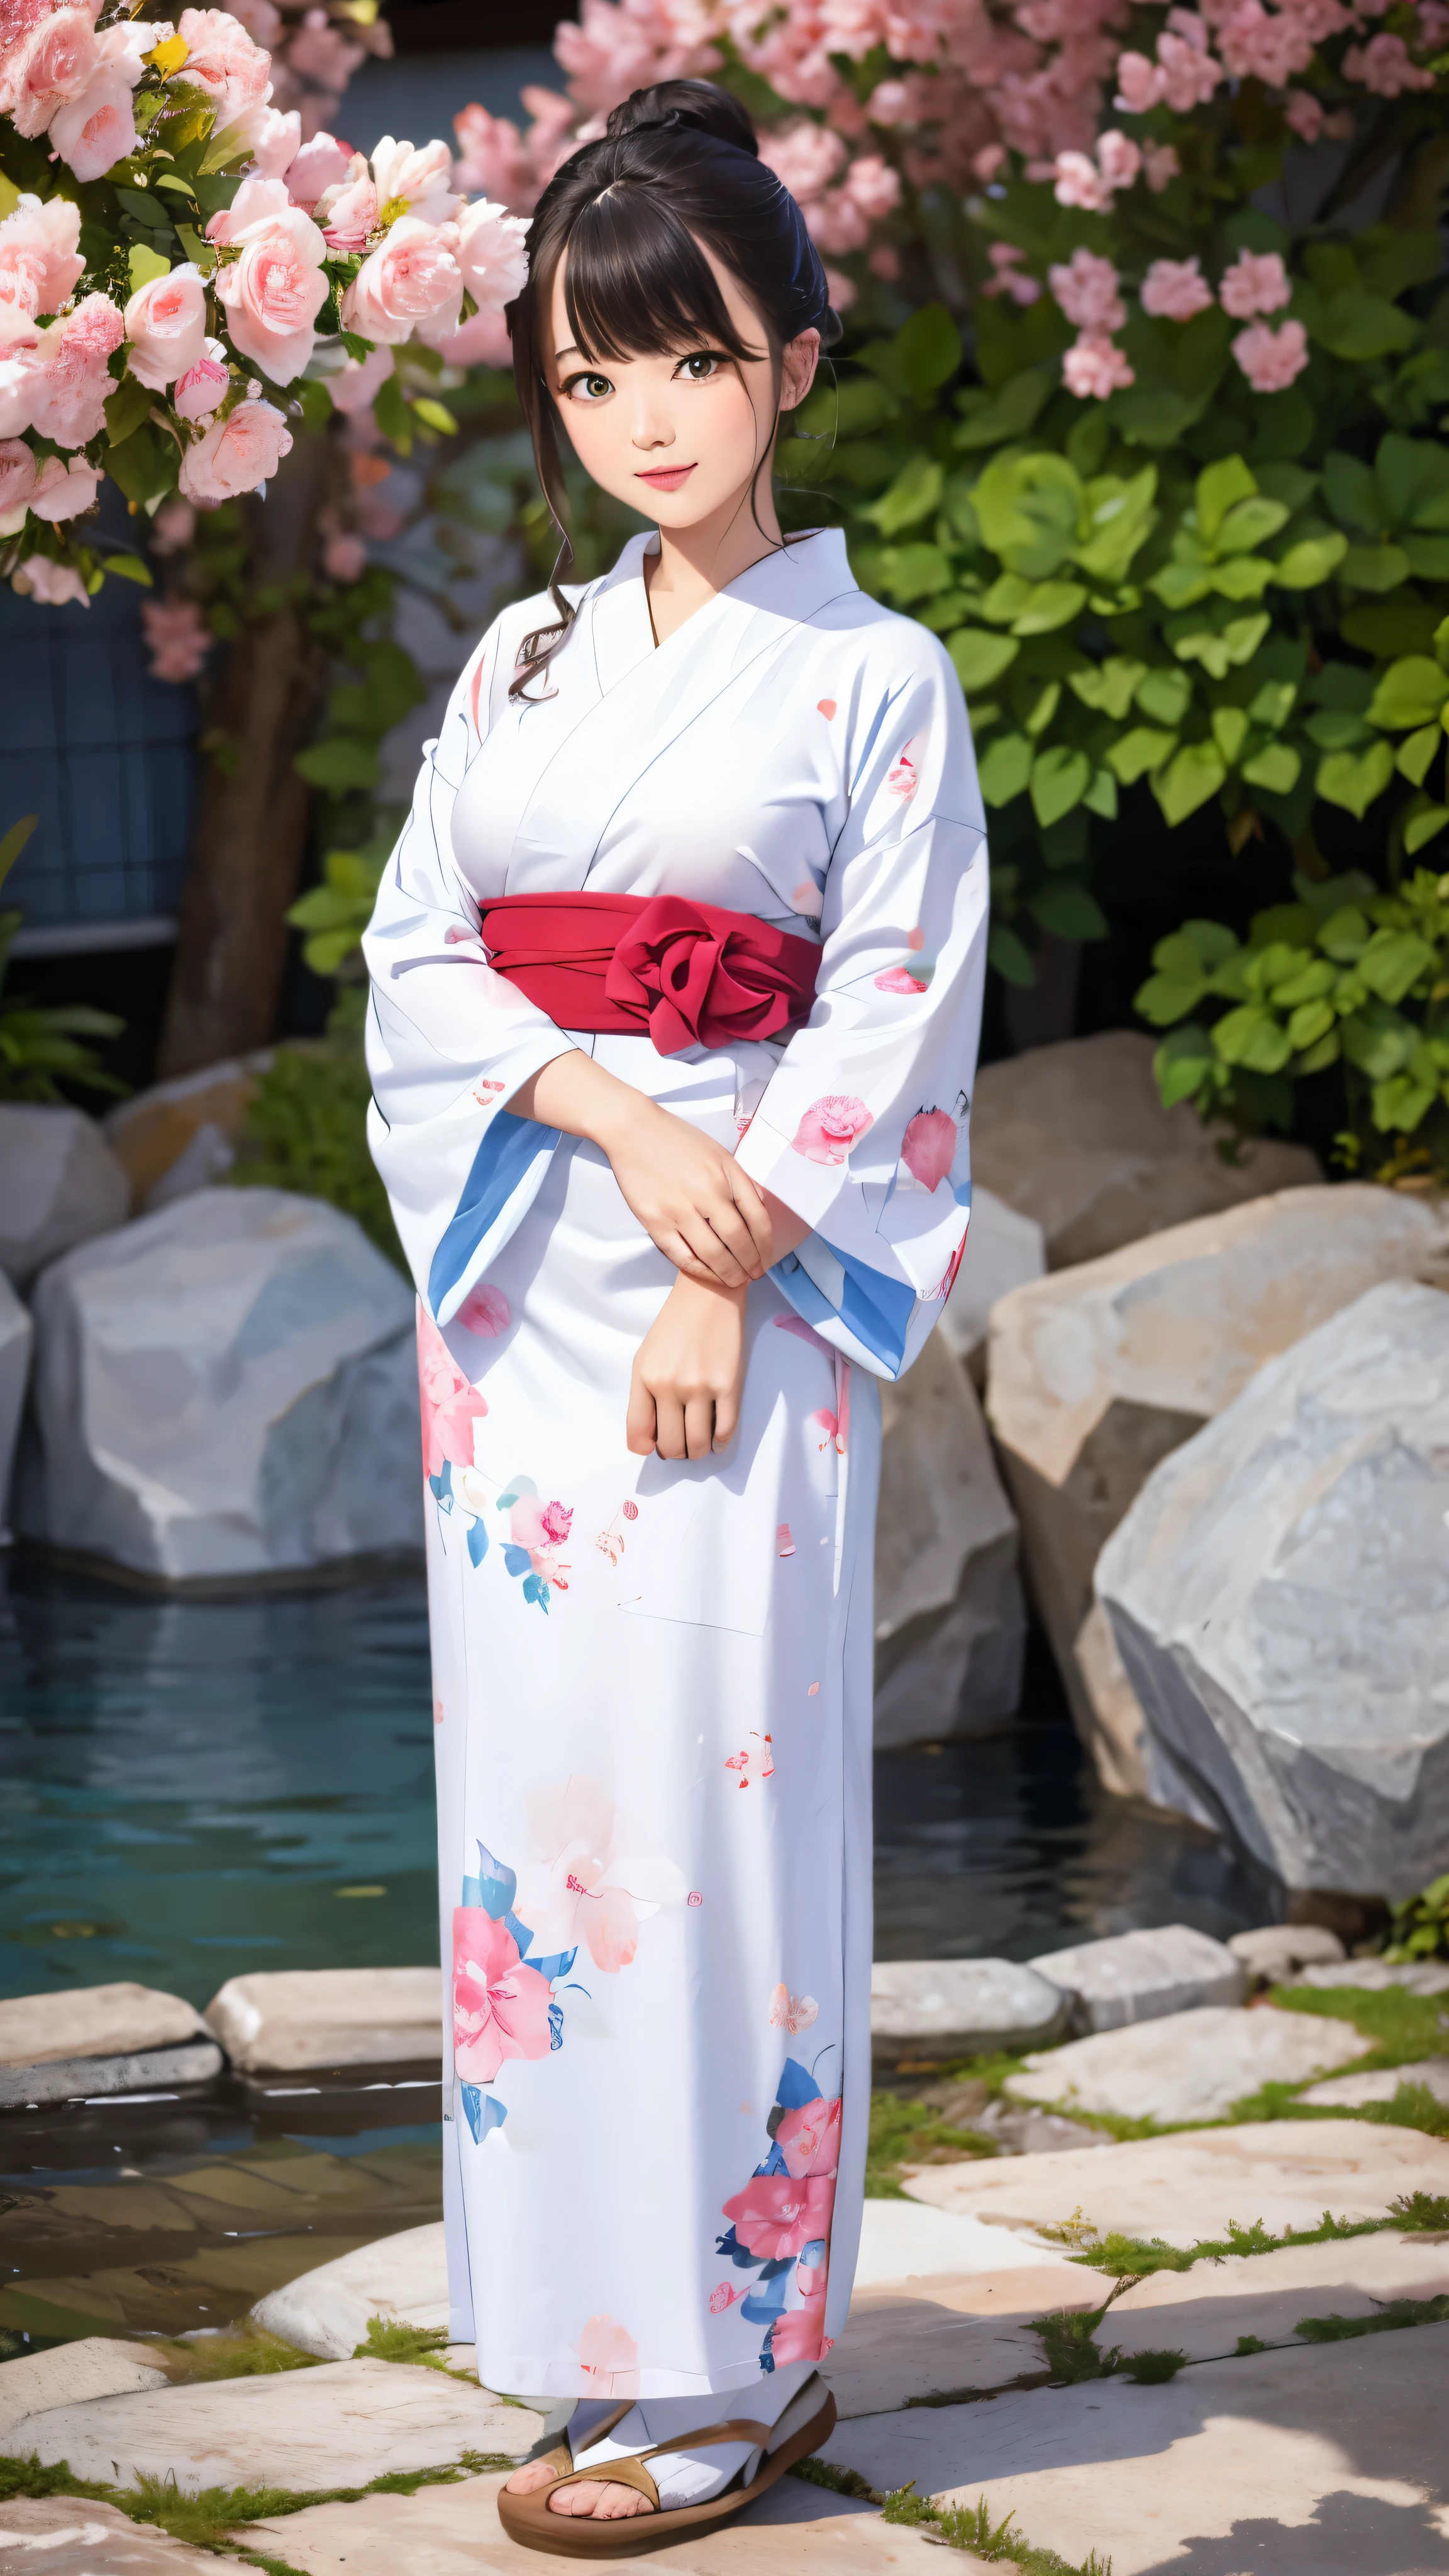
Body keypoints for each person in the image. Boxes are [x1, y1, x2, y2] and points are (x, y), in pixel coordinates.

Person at [363, 75, 987, 2555]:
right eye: (592, 371)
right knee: (541, 1842)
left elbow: (896, 1009)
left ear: (795, 364)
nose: (640, 418)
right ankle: (583, 2342)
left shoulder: (877, 680)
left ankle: (735, 2367)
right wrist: (619, 1138)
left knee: (709, 1824)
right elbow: (418, 955)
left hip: (744, 1304)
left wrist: (730, 1267)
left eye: (692, 361)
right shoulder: (515, 663)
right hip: (525, 1296)